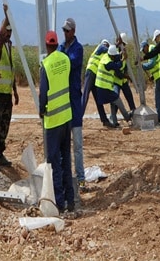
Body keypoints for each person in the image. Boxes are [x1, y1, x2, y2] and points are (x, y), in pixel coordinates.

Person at [38, 29, 75, 215]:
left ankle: (59, 202)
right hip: (67, 117)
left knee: (54, 163)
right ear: (56, 43)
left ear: (46, 45)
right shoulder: (65, 60)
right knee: (66, 158)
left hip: (52, 121)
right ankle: (71, 199)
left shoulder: (46, 64)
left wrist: (41, 109)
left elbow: (43, 93)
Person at [60, 17, 86, 203]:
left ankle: (81, 177)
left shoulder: (78, 49)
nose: (66, 33)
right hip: (62, 102)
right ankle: (66, 178)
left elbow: (68, 64)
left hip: (74, 101)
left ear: (74, 31)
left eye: (68, 30)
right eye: (64, 30)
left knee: (76, 143)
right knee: (63, 144)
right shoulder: (62, 48)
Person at [0, 4, 19, 170]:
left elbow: (11, 71)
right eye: (7, 29)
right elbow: (0, 35)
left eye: (10, 30)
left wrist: (15, 92)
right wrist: (7, 15)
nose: (9, 32)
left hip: (6, 94)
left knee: (4, 127)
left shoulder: (9, 46)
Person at [83, 40, 120, 129]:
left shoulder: (105, 55)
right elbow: (108, 50)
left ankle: (105, 120)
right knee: (85, 96)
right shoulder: (100, 47)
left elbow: (113, 56)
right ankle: (77, 119)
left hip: (95, 77)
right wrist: (114, 46)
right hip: (91, 72)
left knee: (98, 100)